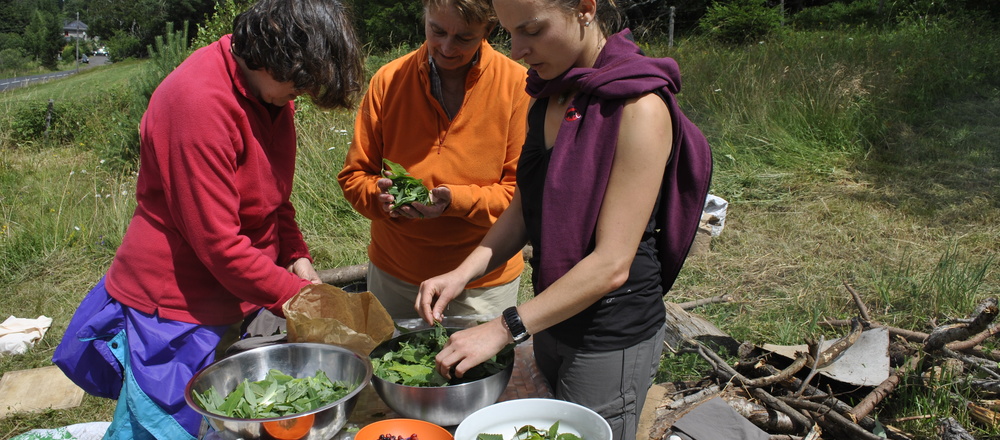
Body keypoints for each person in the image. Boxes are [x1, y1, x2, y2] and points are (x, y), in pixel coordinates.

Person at [51, 0, 365, 438]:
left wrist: (296, 256)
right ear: (272, 51)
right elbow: (220, 245)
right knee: (169, 425)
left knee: (230, 417)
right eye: (297, 87)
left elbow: (275, 199)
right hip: (176, 304)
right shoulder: (197, 103)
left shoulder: (270, 93)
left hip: (238, 289)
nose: (299, 98)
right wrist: (301, 297)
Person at [415, 0, 713, 438]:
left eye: (532, 31)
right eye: (511, 33)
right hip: (552, 313)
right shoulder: (549, 94)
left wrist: (503, 328)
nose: (517, 50)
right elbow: (522, 209)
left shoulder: (639, 107)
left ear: (586, 9)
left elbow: (612, 265)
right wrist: (461, 274)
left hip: (609, 332)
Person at [337, 0, 529, 320]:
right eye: (436, 30)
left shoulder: (518, 88)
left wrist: (456, 200)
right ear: (424, 15)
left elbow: (520, 196)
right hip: (395, 276)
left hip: (481, 284)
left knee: (476, 370)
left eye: (464, 38)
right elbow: (355, 175)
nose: (446, 47)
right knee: (392, 367)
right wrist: (381, 198)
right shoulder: (388, 81)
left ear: (489, 30)